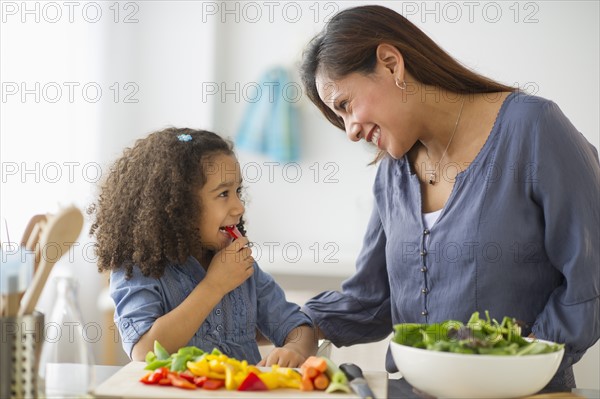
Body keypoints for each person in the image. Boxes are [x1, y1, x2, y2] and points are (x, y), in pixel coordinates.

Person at [299, 4, 599, 389]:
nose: (350, 131)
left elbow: (589, 283)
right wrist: (291, 320)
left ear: (391, 64)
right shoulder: (393, 171)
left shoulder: (533, 129)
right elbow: (372, 301)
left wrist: (514, 358)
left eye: (345, 105)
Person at [89, 128, 316, 367]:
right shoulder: (142, 266)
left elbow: (298, 325)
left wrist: (295, 349)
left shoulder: (240, 265)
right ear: (178, 206)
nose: (239, 206)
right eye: (223, 194)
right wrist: (215, 285)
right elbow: (144, 351)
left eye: (237, 191)